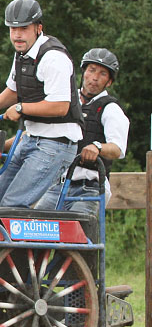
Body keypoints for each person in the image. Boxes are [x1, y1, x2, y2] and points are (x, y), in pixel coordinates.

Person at [0, 0, 83, 208]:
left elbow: (60, 106)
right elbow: (14, 90)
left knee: (12, 205)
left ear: (38, 28)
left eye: (24, 28)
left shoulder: (54, 58)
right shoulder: (22, 53)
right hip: (31, 139)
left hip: (56, 144)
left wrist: (21, 108)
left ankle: (17, 240)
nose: (17, 34)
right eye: (12, 29)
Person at [35, 48, 129, 215]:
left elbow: (117, 148)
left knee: (78, 229)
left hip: (89, 186)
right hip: (58, 183)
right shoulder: (66, 101)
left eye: (102, 74)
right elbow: (39, 133)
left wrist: (97, 147)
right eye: (91, 70)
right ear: (83, 72)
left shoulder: (110, 109)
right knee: (35, 227)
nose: (94, 77)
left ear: (109, 82)